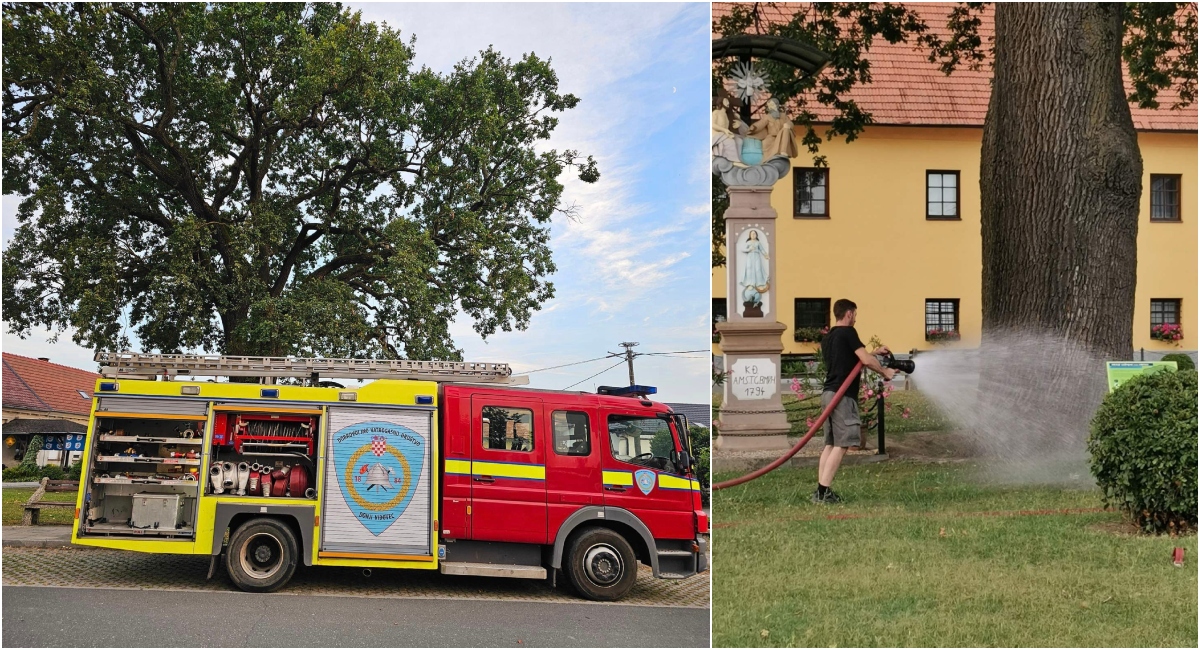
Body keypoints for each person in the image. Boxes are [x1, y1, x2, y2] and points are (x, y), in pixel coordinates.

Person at [813, 298, 894, 504]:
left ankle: (820, 491)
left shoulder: (829, 337)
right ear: (848, 313)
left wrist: (874, 353)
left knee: (831, 444)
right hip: (842, 396)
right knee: (843, 444)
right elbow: (865, 361)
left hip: (829, 393)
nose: (856, 319)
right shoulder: (848, 332)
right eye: (855, 314)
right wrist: (885, 371)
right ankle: (824, 491)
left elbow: (850, 359)